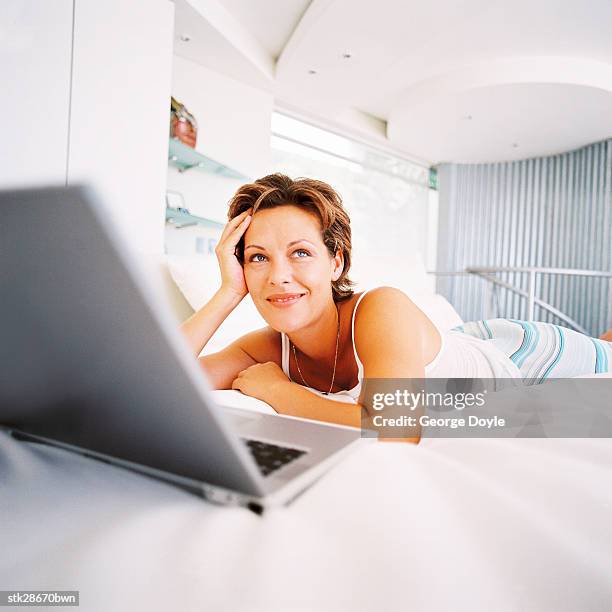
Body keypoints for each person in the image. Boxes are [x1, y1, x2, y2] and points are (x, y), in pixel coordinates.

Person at [181, 174, 612, 438]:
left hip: (518, 357)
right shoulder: (266, 347)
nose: (278, 276)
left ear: (337, 261)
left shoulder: (380, 308)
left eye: (300, 252)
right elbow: (154, 378)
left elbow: (397, 427)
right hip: (445, 348)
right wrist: (228, 293)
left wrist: (280, 392)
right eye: (258, 257)